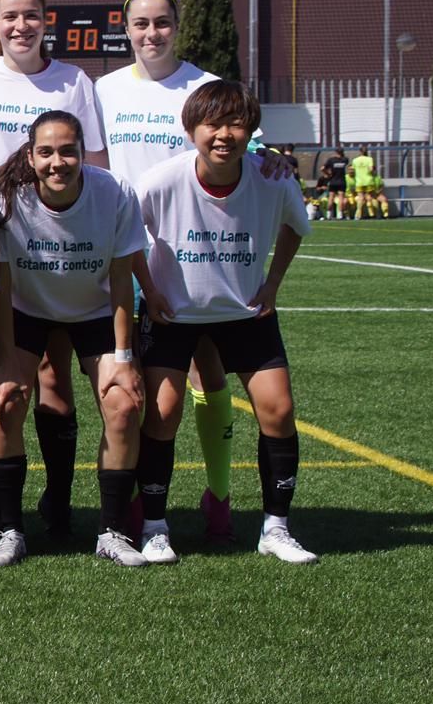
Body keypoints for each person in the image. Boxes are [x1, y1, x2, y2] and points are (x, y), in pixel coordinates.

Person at [0, 0, 106, 541]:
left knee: (54, 380)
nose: (21, 25)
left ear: (46, 21)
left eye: (32, 15)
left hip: (54, 253)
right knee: (0, 377)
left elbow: (96, 163)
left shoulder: (74, 81)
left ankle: (57, 500)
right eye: (9, 16)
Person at [134, 80, 317, 564]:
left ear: (251, 130)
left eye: (236, 123)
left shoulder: (272, 177)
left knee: (277, 411)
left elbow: (295, 227)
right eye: (212, 124)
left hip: (244, 313)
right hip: (175, 313)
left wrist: (273, 284)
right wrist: (150, 291)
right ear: (191, 128)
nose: (223, 134)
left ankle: (275, 527)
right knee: (164, 411)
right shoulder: (163, 180)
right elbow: (128, 236)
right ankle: (154, 525)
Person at [95, 0, 245, 544]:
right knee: (139, 384)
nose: (151, 33)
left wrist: (274, 159)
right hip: (125, 254)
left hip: (195, 255)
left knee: (209, 371)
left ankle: (220, 494)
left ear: (177, 27)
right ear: (126, 30)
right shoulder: (103, 90)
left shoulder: (204, 86)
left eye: (162, 22)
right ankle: (135, 502)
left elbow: (247, 149)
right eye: (140, 24)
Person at [0, 111, 150, 567]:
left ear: (83, 152)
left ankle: (112, 531)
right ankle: (9, 529)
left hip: (94, 310)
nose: (59, 162)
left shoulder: (113, 192)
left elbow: (120, 278)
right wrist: (10, 357)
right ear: (31, 156)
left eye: (69, 150)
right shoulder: (6, 198)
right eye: (47, 152)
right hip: (25, 310)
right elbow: (1, 281)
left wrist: (123, 355)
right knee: (5, 401)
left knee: (123, 403)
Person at [320, 146, 349, 220]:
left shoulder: (331, 160)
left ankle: (329, 214)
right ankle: (340, 215)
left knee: (331, 198)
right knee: (341, 198)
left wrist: (327, 174)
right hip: (341, 181)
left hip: (333, 181)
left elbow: (322, 168)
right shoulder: (345, 160)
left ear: (336, 152)